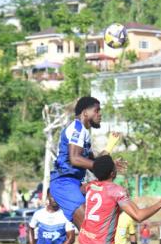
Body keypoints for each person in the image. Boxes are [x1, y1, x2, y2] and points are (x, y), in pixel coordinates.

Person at [49, 96, 124, 230]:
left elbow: (93, 164)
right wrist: (103, 165)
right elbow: (75, 159)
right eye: (97, 110)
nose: (99, 114)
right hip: (64, 183)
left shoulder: (84, 133)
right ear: (85, 113)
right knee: (90, 229)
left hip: (75, 183)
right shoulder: (77, 128)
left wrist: (109, 155)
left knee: (99, 223)